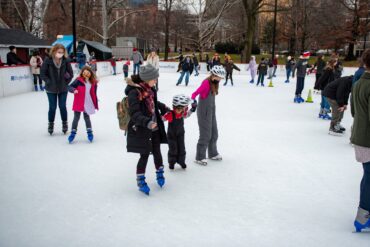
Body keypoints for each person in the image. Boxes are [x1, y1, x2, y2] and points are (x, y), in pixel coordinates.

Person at [125, 64, 169, 195]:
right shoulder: (134, 93)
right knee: (144, 155)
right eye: (154, 78)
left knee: (157, 152)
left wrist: (164, 107)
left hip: (154, 127)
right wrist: (147, 122)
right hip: (142, 129)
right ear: (146, 79)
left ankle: (160, 173)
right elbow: (135, 114)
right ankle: (140, 180)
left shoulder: (151, 90)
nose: (156, 81)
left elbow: (154, 103)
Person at [350, 49, 370, 233]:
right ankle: (364, 215)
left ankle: (363, 214)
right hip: (367, 138)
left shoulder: (358, 82)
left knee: (368, 174)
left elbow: (354, 111)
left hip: (360, 137)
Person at [191, 65, 225, 166]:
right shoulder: (206, 83)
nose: (221, 79)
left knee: (214, 133)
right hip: (204, 112)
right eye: (220, 77)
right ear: (215, 75)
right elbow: (194, 93)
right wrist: (193, 102)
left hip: (211, 111)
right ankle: (200, 157)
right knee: (206, 135)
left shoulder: (214, 82)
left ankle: (212, 153)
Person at [40, 44, 73, 135]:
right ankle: (51, 124)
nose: (60, 54)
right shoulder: (48, 60)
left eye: (62, 52)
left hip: (63, 88)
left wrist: (66, 82)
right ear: (54, 51)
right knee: (52, 107)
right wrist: (48, 81)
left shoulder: (66, 61)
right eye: (59, 52)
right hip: (51, 88)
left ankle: (64, 124)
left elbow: (71, 73)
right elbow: (42, 73)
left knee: (62, 106)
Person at [162, 94, 195, 170]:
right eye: (185, 107)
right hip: (171, 135)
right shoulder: (170, 114)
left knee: (181, 148)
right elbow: (162, 119)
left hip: (180, 134)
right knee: (173, 149)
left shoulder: (182, 113)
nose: (185, 108)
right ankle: (172, 162)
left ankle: (181, 161)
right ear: (179, 107)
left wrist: (192, 109)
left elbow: (187, 115)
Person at [67, 66, 99, 143]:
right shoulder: (78, 80)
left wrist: (95, 101)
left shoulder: (92, 82)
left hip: (87, 102)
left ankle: (90, 133)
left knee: (87, 117)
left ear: (90, 74)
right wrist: (74, 90)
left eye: (88, 73)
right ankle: (72, 133)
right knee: (76, 118)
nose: (86, 74)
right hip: (79, 101)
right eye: (84, 73)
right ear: (82, 73)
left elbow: (94, 93)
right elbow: (69, 87)